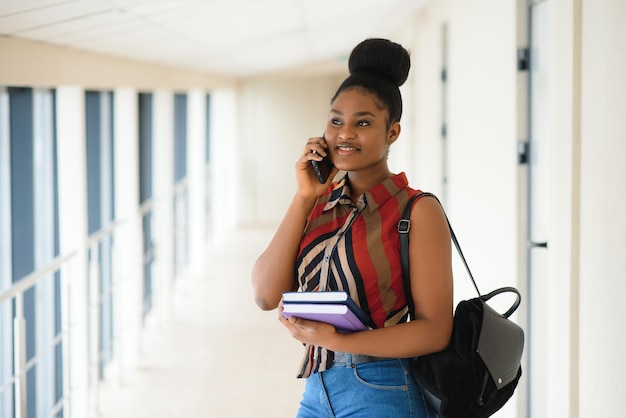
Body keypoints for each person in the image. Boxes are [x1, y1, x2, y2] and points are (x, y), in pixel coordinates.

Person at [251, 38, 453, 418]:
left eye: (363, 123)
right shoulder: (318, 202)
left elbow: (435, 330)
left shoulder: (416, 209)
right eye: (336, 120)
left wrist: (339, 339)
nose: (344, 134)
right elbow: (264, 294)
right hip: (317, 389)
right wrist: (304, 196)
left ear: (392, 132)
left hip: (383, 389)